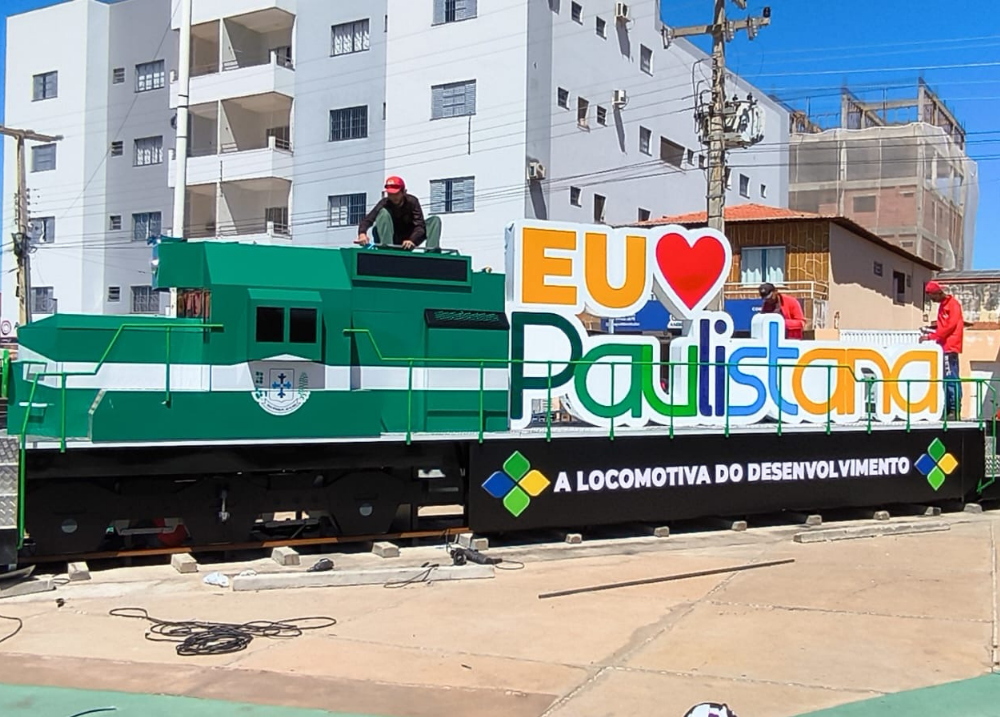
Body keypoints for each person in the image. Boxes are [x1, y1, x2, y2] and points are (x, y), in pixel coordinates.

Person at [920, 280, 964, 420]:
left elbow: (949, 327)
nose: (932, 300)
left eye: (932, 297)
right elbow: (943, 326)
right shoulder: (943, 305)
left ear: (938, 293)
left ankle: (954, 409)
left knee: (951, 378)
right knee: (947, 378)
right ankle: (948, 408)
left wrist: (931, 336)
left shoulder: (953, 305)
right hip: (945, 346)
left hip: (950, 347)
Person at [356, 176, 426, 249]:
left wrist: (412, 240)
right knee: (383, 212)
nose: (393, 197)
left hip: (407, 239)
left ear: (404, 192)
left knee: (431, 222)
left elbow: (419, 225)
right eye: (390, 194)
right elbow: (368, 219)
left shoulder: (412, 202)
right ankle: (387, 248)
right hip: (390, 237)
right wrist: (362, 234)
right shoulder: (384, 203)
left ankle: (432, 251)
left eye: (396, 194)